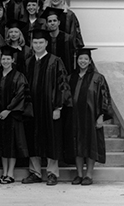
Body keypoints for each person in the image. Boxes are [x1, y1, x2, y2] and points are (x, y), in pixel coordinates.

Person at [21, 29, 73, 186]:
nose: (38, 45)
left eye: (41, 42)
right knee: (32, 138)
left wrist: (58, 107)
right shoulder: (28, 62)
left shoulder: (55, 61)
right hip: (32, 108)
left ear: (46, 43)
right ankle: (35, 172)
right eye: (35, 42)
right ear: (32, 44)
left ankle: (52, 173)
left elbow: (62, 85)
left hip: (49, 108)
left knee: (52, 138)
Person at [67, 47, 112, 186]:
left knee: (90, 144)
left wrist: (101, 116)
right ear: (77, 60)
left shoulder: (98, 78)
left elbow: (105, 98)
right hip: (75, 117)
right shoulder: (71, 77)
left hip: (91, 117)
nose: (83, 61)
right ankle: (79, 174)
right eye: (80, 58)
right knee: (77, 145)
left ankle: (89, 175)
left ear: (90, 61)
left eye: (85, 59)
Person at [0, 46, 31, 184]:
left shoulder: (19, 76)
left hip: (13, 116)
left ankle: (10, 174)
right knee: (3, 145)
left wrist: (8, 110)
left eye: (8, 59)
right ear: (0, 60)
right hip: (0, 116)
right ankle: (4, 173)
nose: (5, 61)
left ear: (13, 60)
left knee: (12, 145)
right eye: (3, 59)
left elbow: (20, 95)